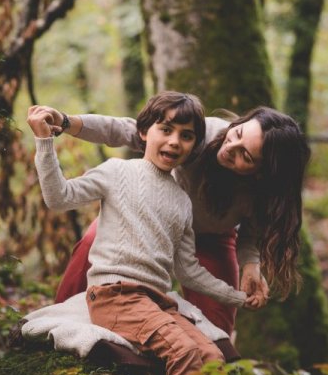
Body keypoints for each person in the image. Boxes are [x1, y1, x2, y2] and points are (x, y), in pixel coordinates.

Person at [27, 91, 255, 375]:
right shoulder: (116, 172)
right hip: (115, 296)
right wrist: (45, 143)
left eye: (186, 136)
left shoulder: (181, 202)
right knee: (184, 352)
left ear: (194, 147)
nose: (175, 141)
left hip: (157, 302)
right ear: (144, 132)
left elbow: (189, 270)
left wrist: (236, 297)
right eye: (166, 130)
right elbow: (59, 196)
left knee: (211, 355)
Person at [34, 102, 311, 335]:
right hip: (148, 218)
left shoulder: (263, 194)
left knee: (218, 321)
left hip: (211, 237)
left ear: (262, 174)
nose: (230, 147)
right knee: (90, 246)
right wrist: (67, 122)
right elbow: (128, 130)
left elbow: (251, 230)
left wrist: (251, 263)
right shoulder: (202, 134)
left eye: (245, 155)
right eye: (237, 133)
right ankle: (56, 327)